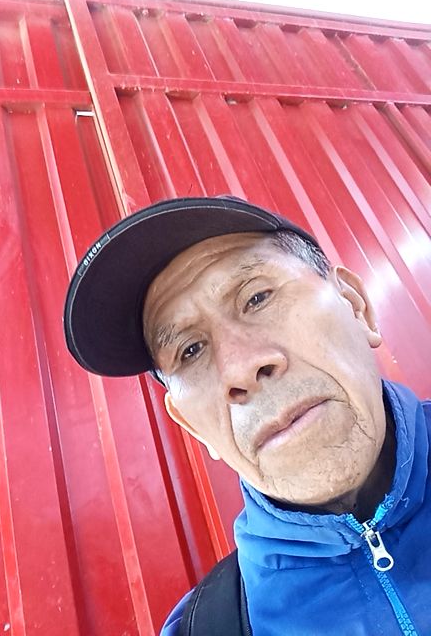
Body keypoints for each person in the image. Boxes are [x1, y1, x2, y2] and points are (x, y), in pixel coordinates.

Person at [64, 196, 431, 635]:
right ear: (192, 426)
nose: (240, 369)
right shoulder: (204, 628)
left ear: (356, 306)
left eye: (257, 298)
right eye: (190, 350)